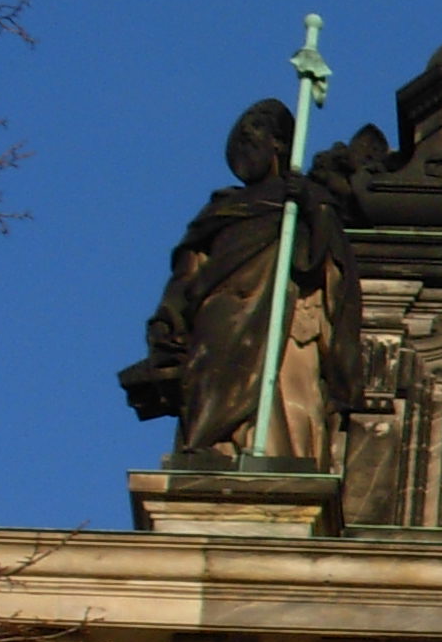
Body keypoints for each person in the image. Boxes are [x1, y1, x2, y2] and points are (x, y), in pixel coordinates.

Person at [120, 99, 363, 464]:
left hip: (284, 313)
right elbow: (188, 273)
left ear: (279, 143)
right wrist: (167, 318)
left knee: (288, 391)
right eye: (239, 143)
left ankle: (281, 461)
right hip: (221, 320)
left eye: (253, 139)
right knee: (213, 398)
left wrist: (313, 208)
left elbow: (328, 266)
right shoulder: (221, 208)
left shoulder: (308, 201)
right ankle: (216, 452)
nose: (244, 150)